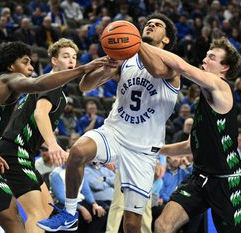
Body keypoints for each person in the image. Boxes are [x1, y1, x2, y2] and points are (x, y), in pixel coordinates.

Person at [37, 13, 179, 233]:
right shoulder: (126, 59)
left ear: (167, 39)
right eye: (148, 23)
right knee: (77, 152)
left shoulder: (172, 64)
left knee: (132, 225)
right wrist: (105, 68)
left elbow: (158, 70)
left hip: (143, 149)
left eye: (158, 25)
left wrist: (135, 41)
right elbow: (85, 86)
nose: (150, 25)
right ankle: (69, 214)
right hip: (115, 132)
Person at [0, 41, 106, 233]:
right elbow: (37, 88)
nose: (30, 67)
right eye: (26, 62)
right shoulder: (8, 79)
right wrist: (83, 69)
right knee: (14, 217)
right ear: (11, 66)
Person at [139, 37, 241, 232]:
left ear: (224, 68)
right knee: (163, 225)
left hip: (226, 180)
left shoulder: (220, 86)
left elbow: (182, 66)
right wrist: (155, 149)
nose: (205, 60)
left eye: (212, 57)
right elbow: (190, 145)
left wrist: (141, 45)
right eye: (206, 55)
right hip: (199, 177)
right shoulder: (205, 97)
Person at [0, 38, 80, 233]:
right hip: (14, 151)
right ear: (54, 61)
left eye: (74, 57)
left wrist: (55, 147)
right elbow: (40, 113)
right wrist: (53, 144)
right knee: (37, 214)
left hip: (22, 152)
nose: (71, 61)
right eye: (65, 56)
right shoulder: (51, 84)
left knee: (48, 211)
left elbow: (32, 124)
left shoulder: (51, 87)